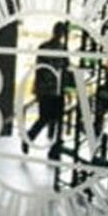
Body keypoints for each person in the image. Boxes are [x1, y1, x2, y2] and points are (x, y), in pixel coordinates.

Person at [22, 22, 70, 155]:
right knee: (45, 118)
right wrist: (38, 89)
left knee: (56, 118)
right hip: (47, 89)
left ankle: (53, 146)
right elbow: (39, 69)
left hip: (55, 89)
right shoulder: (46, 47)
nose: (60, 34)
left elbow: (65, 69)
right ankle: (29, 138)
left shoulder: (62, 49)